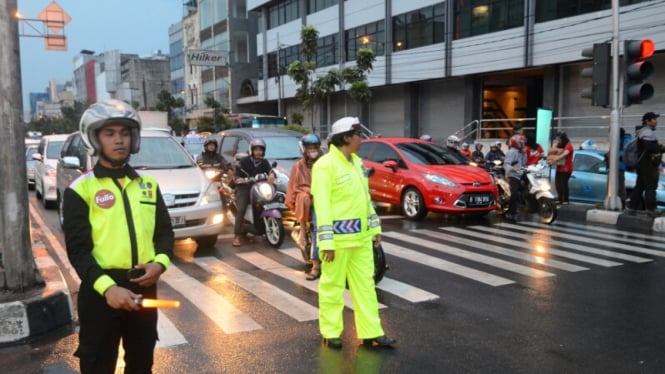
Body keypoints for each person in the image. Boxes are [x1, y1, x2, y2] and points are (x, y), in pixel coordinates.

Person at [62, 99, 174, 373]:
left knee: (141, 364)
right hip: (102, 293)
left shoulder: (147, 185)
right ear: (95, 138)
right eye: (110, 133)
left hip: (143, 287)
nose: (119, 140)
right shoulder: (80, 189)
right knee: (98, 364)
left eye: (125, 133)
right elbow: (78, 250)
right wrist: (108, 288)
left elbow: (165, 235)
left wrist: (159, 265)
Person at [311, 116, 395, 349]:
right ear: (346, 138)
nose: (362, 139)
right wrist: (325, 243)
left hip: (361, 240)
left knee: (366, 287)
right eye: (358, 135)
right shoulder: (324, 165)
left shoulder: (357, 163)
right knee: (332, 288)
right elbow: (322, 205)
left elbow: (365, 200)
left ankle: (371, 332)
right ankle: (331, 332)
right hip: (336, 243)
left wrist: (375, 227)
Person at [286, 133, 322, 280]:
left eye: (315, 147)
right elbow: (294, 187)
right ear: (304, 150)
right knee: (318, 229)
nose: (313, 150)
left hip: (328, 199)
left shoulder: (325, 163)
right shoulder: (298, 166)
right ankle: (316, 266)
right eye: (310, 148)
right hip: (311, 203)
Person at [233, 138, 275, 247]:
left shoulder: (264, 162)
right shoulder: (244, 161)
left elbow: (270, 170)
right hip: (245, 188)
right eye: (256, 150)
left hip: (259, 187)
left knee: (269, 201)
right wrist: (239, 179)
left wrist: (272, 175)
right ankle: (237, 236)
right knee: (241, 208)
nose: (258, 152)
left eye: (260, 150)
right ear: (252, 150)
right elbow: (237, 174)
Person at [628, 112, 664, 216]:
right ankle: (651, 210)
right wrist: (661, 148)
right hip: (648, 165)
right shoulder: (647, 132)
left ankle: (631, 208)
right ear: (647, 121)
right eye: (654, 119)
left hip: (642, 164)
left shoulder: (643, 132)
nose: (656, 121)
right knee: (650, 187)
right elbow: (650, 148)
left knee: (639, 187)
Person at [504, 134, 527, 222]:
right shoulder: (512, 152)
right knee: (514, 193)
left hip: (521, 173)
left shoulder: (522, 152)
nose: (523, 145)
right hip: (513, 175)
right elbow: (506, 164)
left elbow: (524, 164)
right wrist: (513, 168)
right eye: (522, 143)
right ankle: (511, 213)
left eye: (524, 143)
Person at [546, 131, 574, 205]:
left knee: (563, 183)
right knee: (557, 183)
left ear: (563, 138)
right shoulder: (559, 144)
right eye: (557, 139)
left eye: (559, 139)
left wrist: (555, 159)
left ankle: (565, 200)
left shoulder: (568, 145)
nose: (558, 141)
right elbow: (553, 150)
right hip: (559, 167)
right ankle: (560, 198)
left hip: (567, 168)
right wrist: (550, 157)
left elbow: (565, 154)